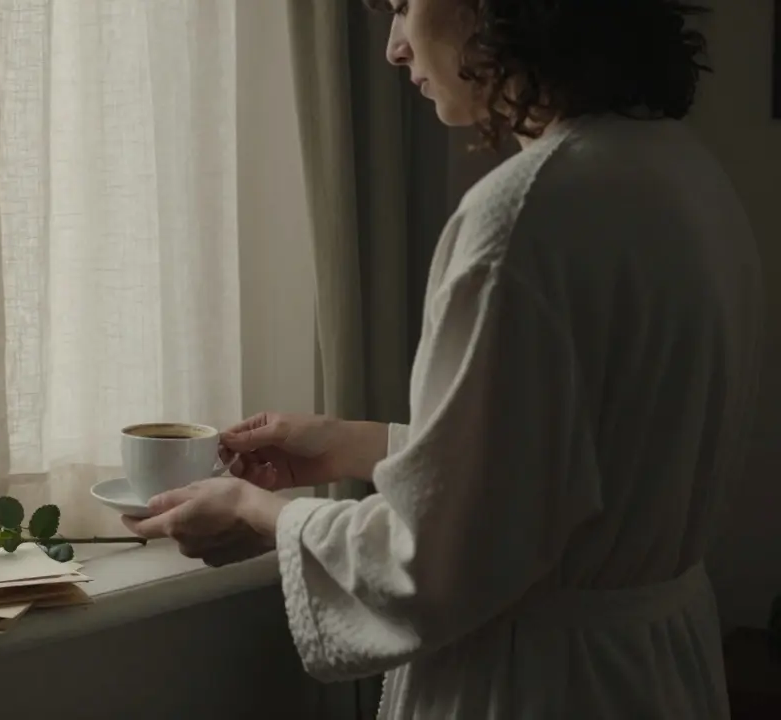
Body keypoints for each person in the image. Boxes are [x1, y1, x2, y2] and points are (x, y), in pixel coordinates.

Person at [123, 0, 763, 717]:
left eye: (404, 5)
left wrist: (257, 511)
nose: (395, 48)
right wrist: (355, 445)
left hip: (536, 688)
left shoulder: (524, 215)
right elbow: (569, 473)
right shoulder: (679, 171)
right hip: (660, 674)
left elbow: (433, 563)